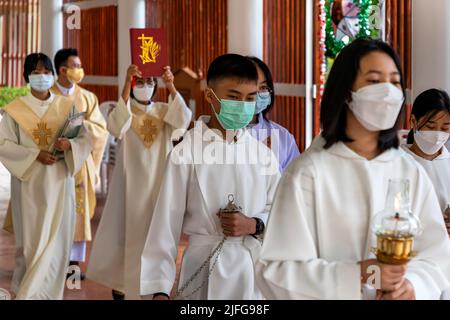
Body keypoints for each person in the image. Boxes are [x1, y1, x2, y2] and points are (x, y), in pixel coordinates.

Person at [255, 39, 450, 300]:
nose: (388, 92)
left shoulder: (408, 171)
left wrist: (411, 287)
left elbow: (436, 256)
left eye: (394, 82)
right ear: (346, 92)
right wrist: (355, 275)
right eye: (374, 80)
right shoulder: (309, 172)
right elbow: (276, 270)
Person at [140, 54, 280, 300]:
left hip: (253, 269)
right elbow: (165, 225)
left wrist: (254, 224)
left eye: (250, 99)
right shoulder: (185, 154)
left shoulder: (263, 155)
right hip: (204, 268)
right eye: (234, 97)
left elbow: (280, 211)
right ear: (210, 96)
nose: (243, 105)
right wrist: (159, 288)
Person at [86, 64, 192, 300]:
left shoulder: (165, 110)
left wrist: (171, 84)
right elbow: (115, 126)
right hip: (130, 186)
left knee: (158, 237)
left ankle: (156, 288)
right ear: (133, 86)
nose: (146, 87)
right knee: (129, 238)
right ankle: (126, 288)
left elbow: (183, 121)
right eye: (140, 82)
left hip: (159, 184)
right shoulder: (125, 112)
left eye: (151, 82)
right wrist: (125, 82)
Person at [0, 53, 91, 299]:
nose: (41, 77)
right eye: (35, 72)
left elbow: (84, 139)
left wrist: (69, 146)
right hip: (29, 185)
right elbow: (3, 144)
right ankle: (27, 293)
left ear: (53, 75)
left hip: (60, 184)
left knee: (58, 243)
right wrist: (33, 155)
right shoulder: (15, 111)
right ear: (27, 76)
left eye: (45, 72)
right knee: (31, 245)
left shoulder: (66, 107)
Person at [52, 48, 108, 274]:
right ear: (63, 70)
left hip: (78, 162)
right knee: (54, 210)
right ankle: (52, 260)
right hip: (54, 162)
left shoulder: (88, 98)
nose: (79, 70)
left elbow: (100, 129)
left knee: (78, 209)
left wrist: (80, 126)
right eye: (75, 66)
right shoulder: (47, 95)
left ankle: (73, 264)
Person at [401, 88, 450, 299]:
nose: (438, 134)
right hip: (410, 262)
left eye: (446, 128)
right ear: (413, 121)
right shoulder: (397, 162)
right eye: (430, 126)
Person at [247, 56, 300, 173]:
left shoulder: (283, 137)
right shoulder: (218, 134)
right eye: (251, 87)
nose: (256, 94)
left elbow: (293, 183)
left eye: (263, 87)